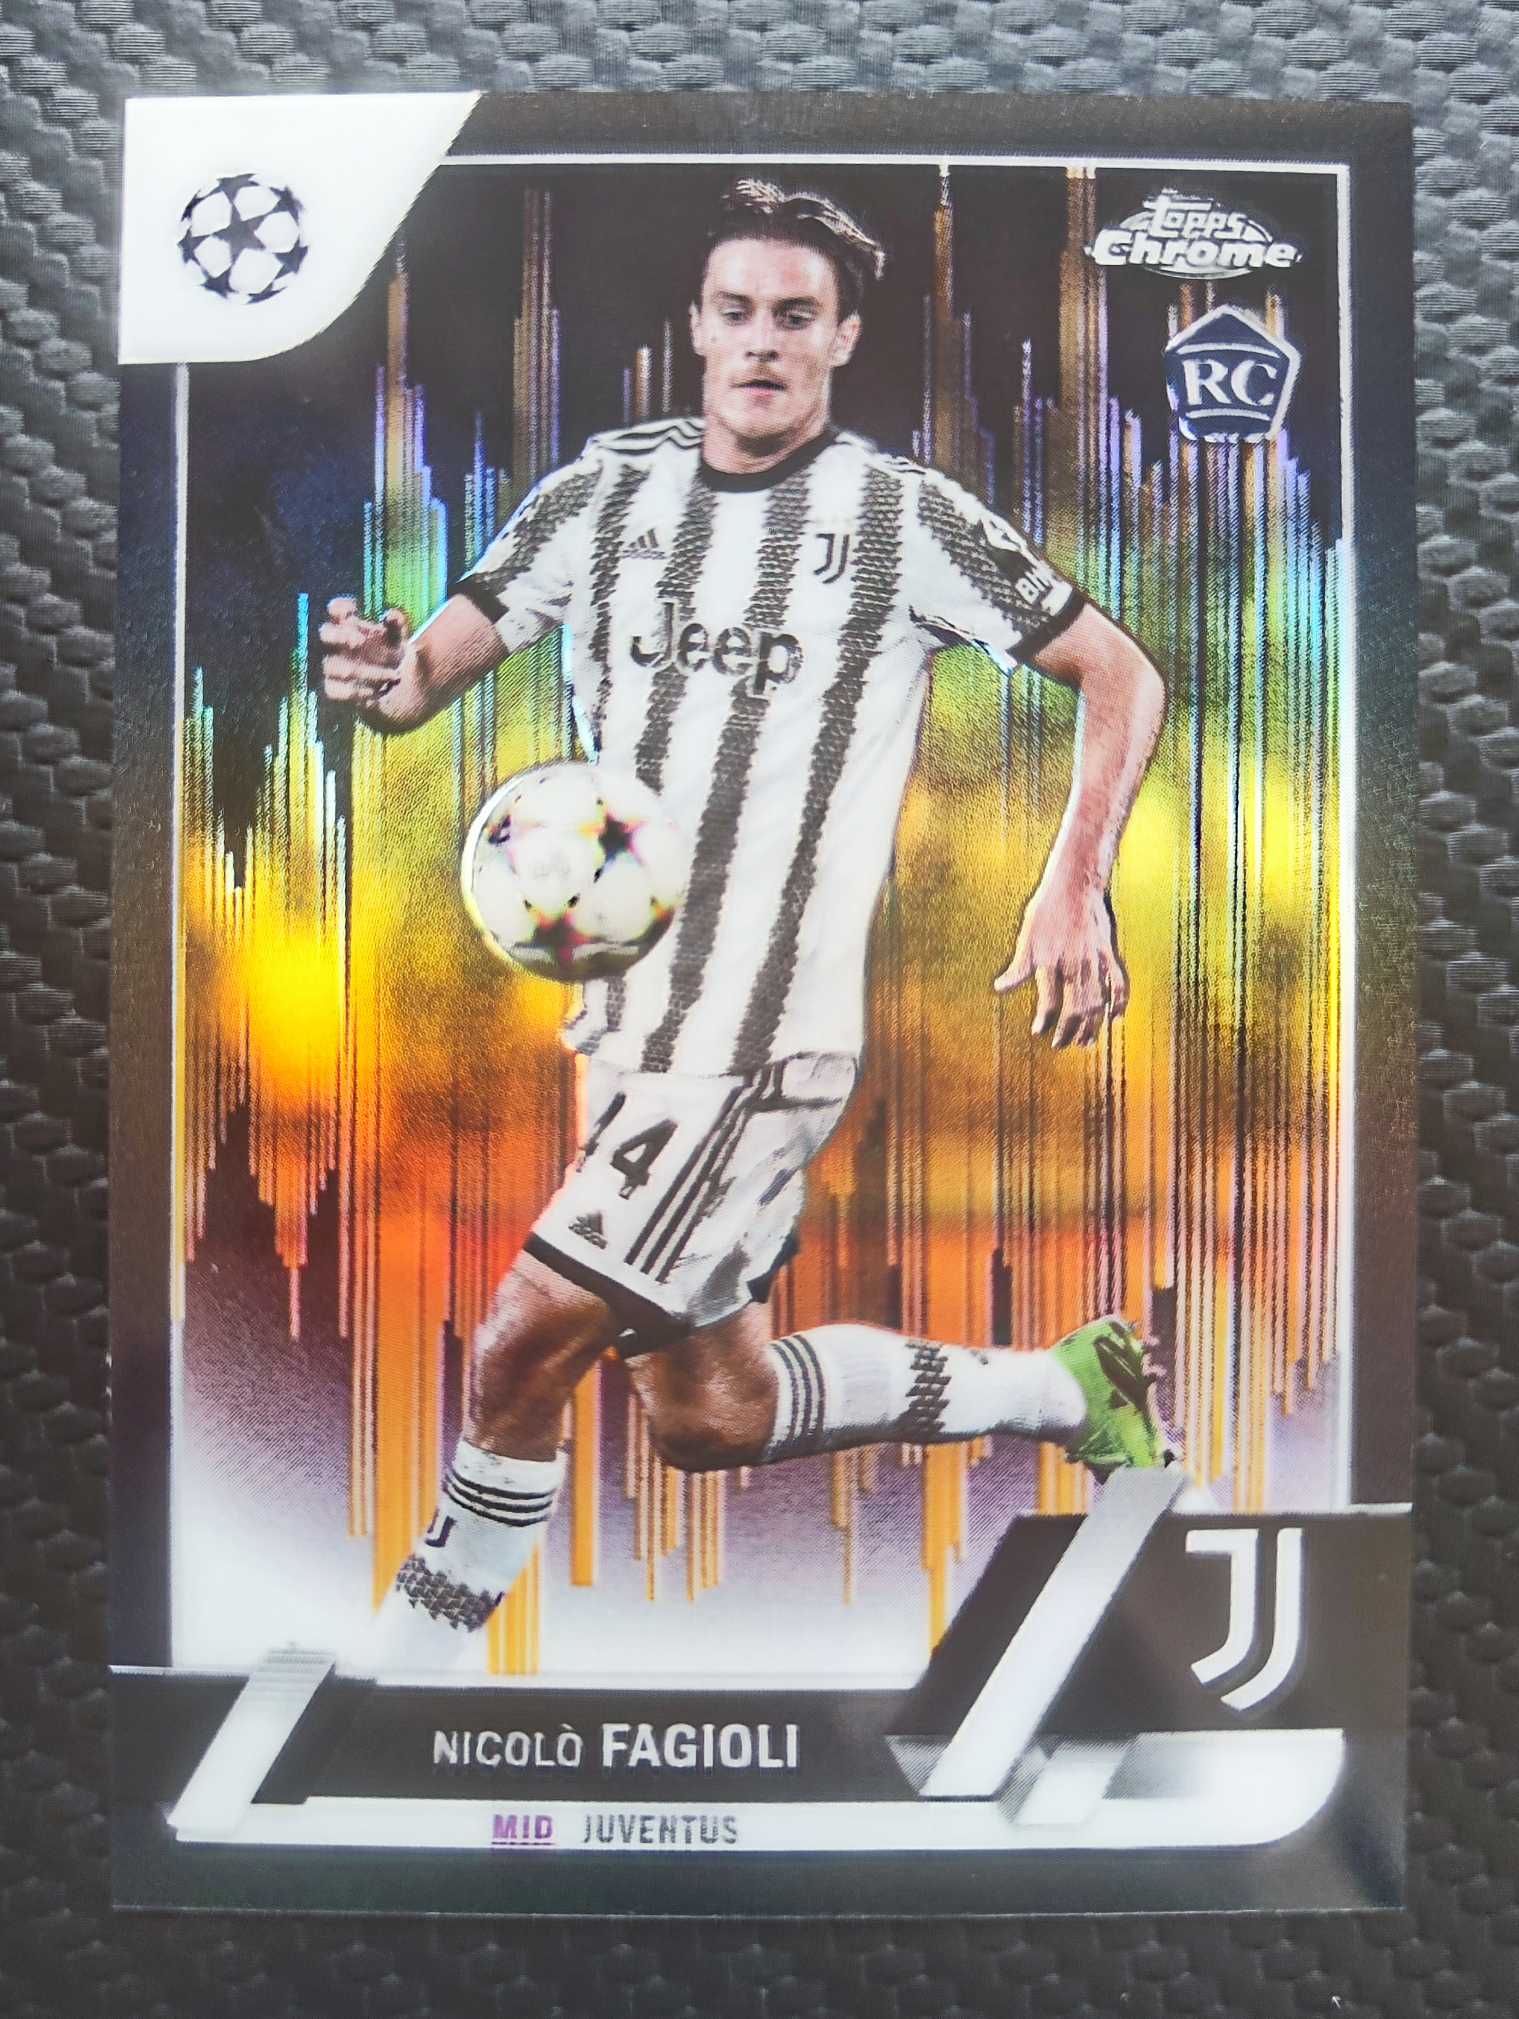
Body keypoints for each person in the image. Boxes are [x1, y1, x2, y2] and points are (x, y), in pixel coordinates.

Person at [320, 179, 1171, 1670]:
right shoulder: (601, 493)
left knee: (521, 1339)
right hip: (626, 1029)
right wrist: (373, 674)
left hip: (763, 1040)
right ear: (699, 329)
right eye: (737, 312)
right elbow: (420, 681)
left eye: (795, 315)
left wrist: (1073, 878)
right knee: (712, 1414)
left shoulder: (903, 517)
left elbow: (1121, 671)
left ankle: (398, 1672)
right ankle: (1064, 1389)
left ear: (841, 340)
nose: (762, 340)